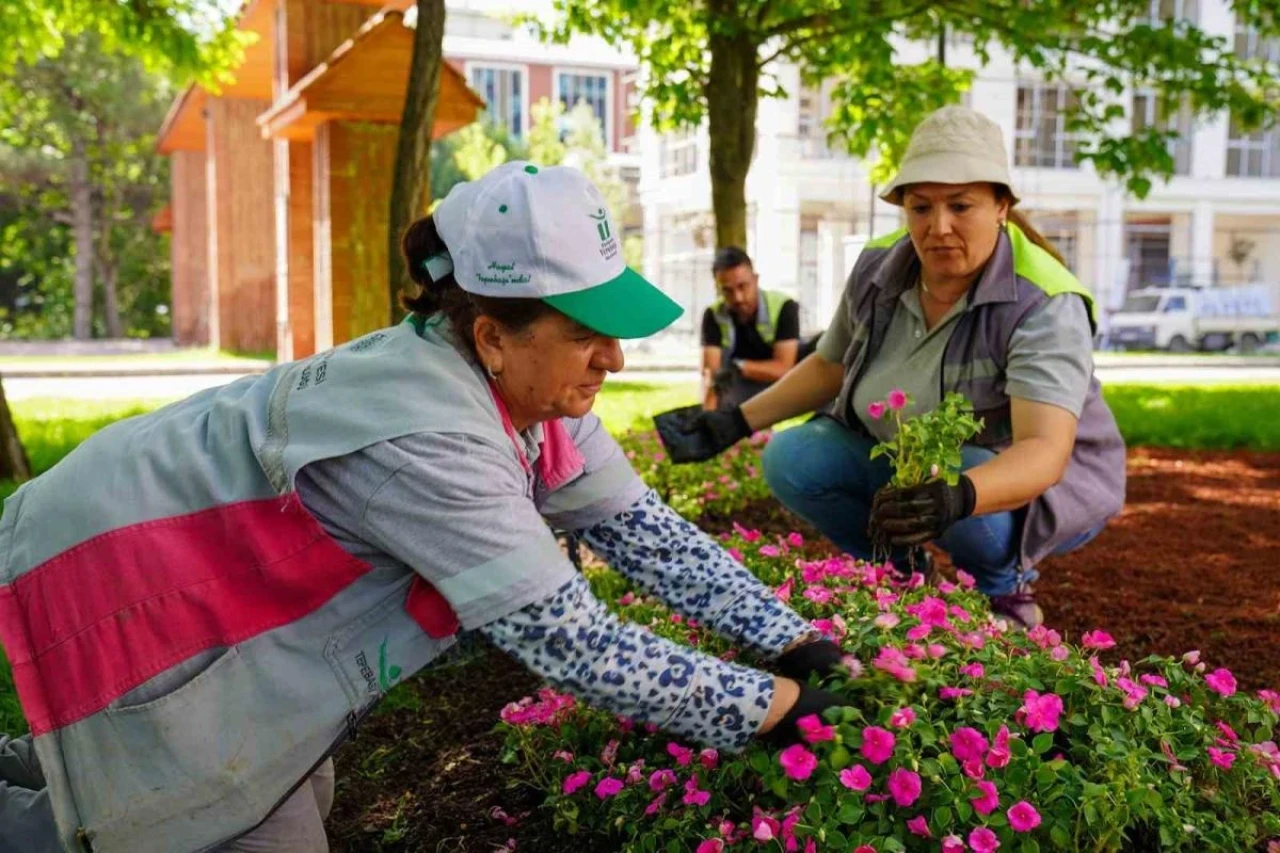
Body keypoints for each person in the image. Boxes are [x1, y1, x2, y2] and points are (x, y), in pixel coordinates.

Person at [0, 162, 848, 853]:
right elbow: (574, 645)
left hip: (177, 554)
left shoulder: (527, 393)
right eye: (587, 331)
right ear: (490, 334)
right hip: (124, 567)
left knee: (242, 776)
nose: (615, 359)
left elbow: (646, 535)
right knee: (194, 811)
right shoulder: (431, 435)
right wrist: (773, 710)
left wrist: (792, 638)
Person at [657, 106, 1126, 629]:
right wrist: (734, 421)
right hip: (915, 465)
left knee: (961, 471)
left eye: (960, 205)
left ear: (1001, 206)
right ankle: (903, 573)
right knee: (793, 458)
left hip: (1021, 487)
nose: (938, 227)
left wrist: (957, 497)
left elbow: (1044, 450)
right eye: (920, 207)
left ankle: (1003, 588)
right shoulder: (880, 267)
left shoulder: (1044, 300)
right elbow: (829, 366)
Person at [700, 247, 817, 411]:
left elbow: (783, 368)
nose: (738, 298)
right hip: (740, 387)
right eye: (727, 290)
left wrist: (740, 366)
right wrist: (707, 419)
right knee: (723, 391)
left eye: (743, 286)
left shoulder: (783, 307)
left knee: (823, 346)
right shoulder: (713, 315)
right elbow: (712, 376)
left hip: (787, 383)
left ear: (755, 279)